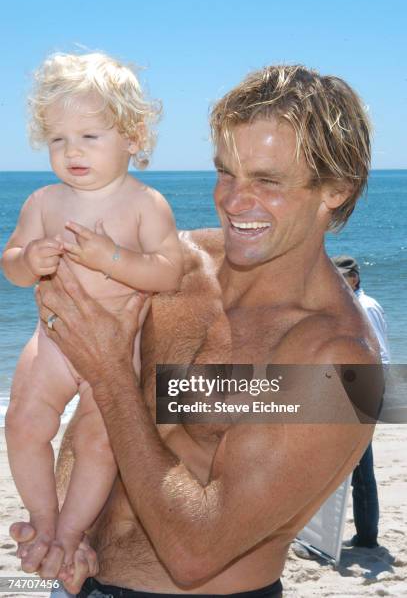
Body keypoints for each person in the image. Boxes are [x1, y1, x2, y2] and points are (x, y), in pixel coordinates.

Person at [9, 65, 383, 598]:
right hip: (78, 579)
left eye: (267, 181)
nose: (233, 200)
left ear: (334, 192)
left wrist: (111, 373)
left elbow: (197, 553)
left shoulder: (338, 365)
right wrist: (62, 529)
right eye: (226, 172)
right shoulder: (175, 267)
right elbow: (95, 407)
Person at [2, 52, 183, 572]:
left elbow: (169, 271)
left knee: (98, 443)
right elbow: (10, 264)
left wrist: (114, 259)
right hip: (53, 341)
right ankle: (44, 519)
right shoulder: (43, 202)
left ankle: (71, 532)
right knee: (22, 422)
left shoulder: (146, 204)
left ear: (132, 138)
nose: (71, 151)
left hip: (115, 350)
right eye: (58, 139)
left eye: (89, 137)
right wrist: (27, 261)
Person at [333, 255, 390, 548]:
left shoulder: (365, 308)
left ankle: (367, 538)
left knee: (360, 465)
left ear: (354, 278)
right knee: (355, 464)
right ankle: (364, 536)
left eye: (340, 277)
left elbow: (380, 357)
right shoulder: (351, 307)